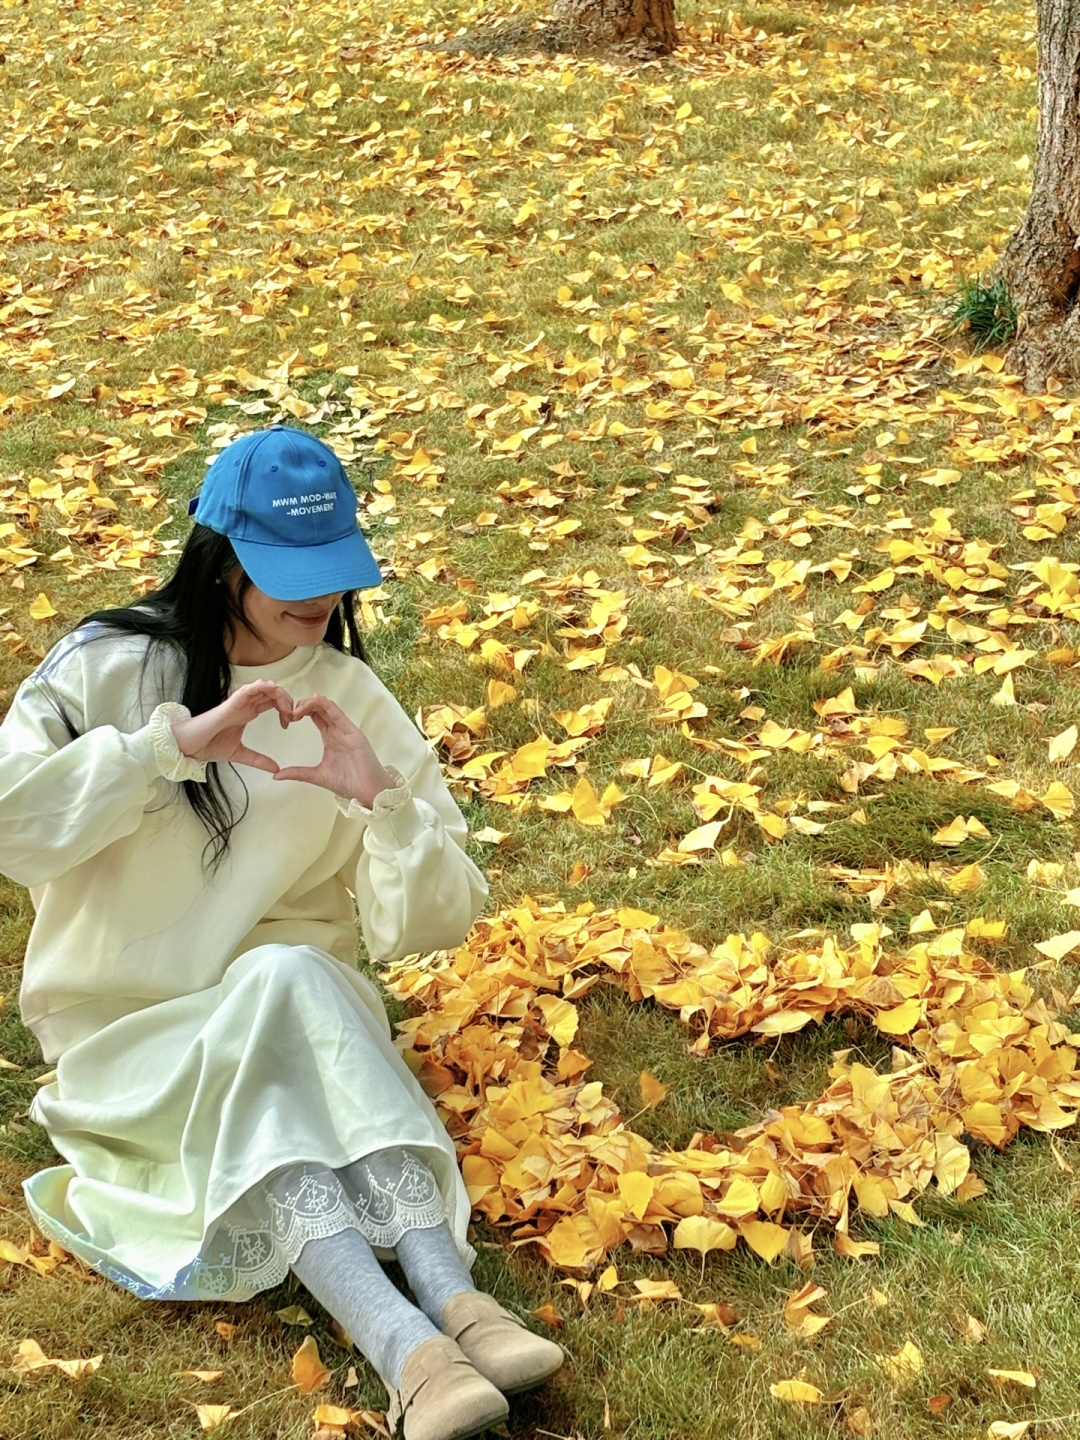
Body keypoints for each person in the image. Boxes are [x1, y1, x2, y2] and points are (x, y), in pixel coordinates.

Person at [0, 425, 563, 1440]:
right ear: (220, 560)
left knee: (286, 977)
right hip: (133, 1034)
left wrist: (379, 804)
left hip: (303, 1006)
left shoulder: (347, 694)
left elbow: (434, 917)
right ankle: (415, 1343)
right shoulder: (107, 667)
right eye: (286, 575)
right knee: (279, 997)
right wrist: (165, 748)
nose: (319, 604)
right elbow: (12, 822)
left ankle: (451, 1322)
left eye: (334, 577)